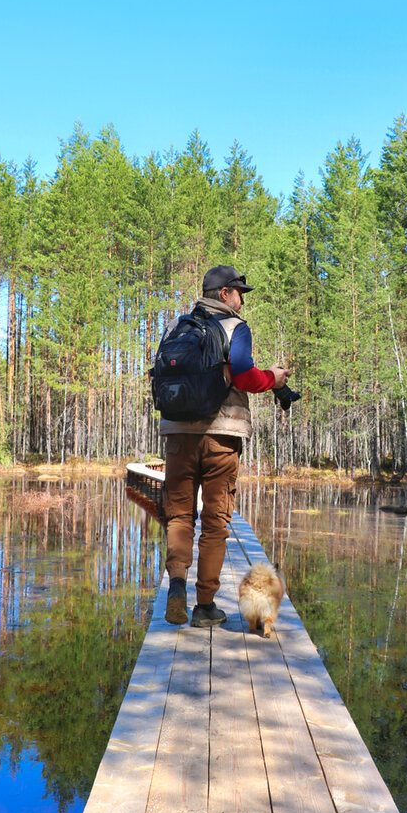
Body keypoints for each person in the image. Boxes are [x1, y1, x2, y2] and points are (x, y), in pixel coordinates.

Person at [160, 265, 290, 627]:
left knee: (179, 516)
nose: (242, 301)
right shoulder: (235, 326)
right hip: (221, 435)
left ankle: (176, 586)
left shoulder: (175, 326)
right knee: (215, 522)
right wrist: (274, 378)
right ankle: (204, 606)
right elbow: (245, 376)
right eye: (239, 294)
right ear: (223, 294)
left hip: (177, 435)